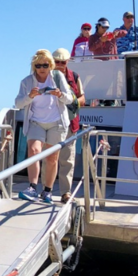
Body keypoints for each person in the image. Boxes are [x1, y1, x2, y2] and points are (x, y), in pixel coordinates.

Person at [14, 49, 75, 204]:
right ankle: (32, 187)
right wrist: (30, 96)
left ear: (51, 65)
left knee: (52, 157)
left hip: (57, 123)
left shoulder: (58, 77)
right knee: (33, 151)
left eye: (45, 65)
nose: (42, 68)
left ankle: (47, 190)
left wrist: (60, 94)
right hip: (36, 122)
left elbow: (69, 99)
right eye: (38, 65)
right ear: (34, 66)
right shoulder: (26, 82)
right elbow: (18, 103)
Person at [52, 48, 84, 203]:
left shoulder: (75, 77)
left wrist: (73, 102)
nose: (59, 65)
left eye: (62, 62)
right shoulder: (45, 76)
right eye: (56, 62)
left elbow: (82, 97)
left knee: (68, 160)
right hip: (50, 123)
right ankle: (47, 190)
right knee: (49, 159)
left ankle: (65, 193)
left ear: (67, 62)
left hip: (70, 124)